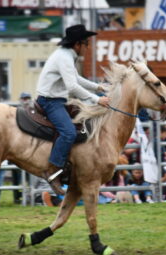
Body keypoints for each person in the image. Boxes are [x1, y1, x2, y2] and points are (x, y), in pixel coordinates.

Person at [36, 24, 110, 195]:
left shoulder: (66, 55)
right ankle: (52, 172)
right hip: (50, 101)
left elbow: (76, 78)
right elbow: (72, 86)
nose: (87, 47)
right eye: (86, 43)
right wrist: (97, 99)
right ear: (78, 44)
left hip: (56, 100)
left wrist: (99, 87)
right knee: (69, 132)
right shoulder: (64, 57)